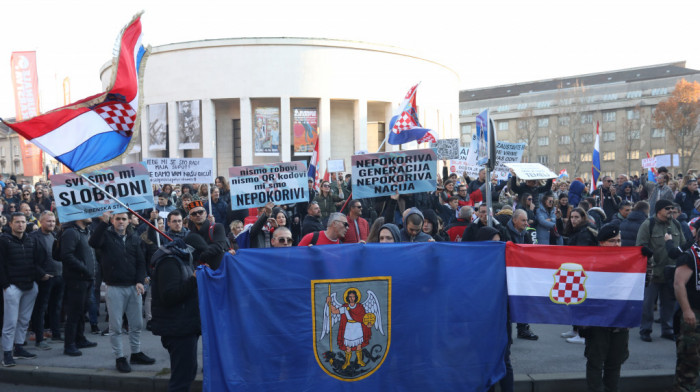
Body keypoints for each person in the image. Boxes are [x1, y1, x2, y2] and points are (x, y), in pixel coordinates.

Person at [88, 211, 155, 373]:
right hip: (114, 288)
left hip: (133, 287)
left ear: (128, 222)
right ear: (112, 220)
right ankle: (119, 357)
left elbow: (140, 262)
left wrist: (140, 281)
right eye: (117, 219)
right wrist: (103, 223)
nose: (121, 222)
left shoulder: (134, 239)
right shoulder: (105, 236)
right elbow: (93, 242)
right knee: (116, 326)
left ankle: (136, 352)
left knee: (137, 324)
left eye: (124, 219)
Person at [580, 224, 629, 392]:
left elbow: (641, 285)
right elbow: (582, 294)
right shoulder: (591, 262)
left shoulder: (628, 262)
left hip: (620, 322)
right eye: (612, 241)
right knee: (595, 363)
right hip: (597, 322)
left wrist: (646, 261)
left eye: (619, 241)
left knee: (614, 364)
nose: (617, 244)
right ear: (601, 243)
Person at [150, 237, 200, 392]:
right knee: (181, 380)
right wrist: (194, 280)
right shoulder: (169, 263)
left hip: (184, 326)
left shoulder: (180, 261)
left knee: (188, 372)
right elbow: (169, 296)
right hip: (177, 329)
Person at [0, 212, 48, 366]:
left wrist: (41, 275)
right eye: (17, 222)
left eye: (23, 222)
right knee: (10, 322)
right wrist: (6, 285)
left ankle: (19, 347)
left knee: (24, 320)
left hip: (30, 285)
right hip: (13, 287)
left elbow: (36, 261)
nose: (20, 225)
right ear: (11, 224)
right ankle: (7, 353)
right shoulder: (3, 241)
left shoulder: (31, 240)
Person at [636, 199, 686, 342]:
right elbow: (640, 246)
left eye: (672, 208)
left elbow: (682, 244)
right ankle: (645, 329)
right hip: (653, 272)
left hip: (671, 272)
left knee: (668, 303)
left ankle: (667, 329)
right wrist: (650, 261)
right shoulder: (648, 225)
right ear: (659, 211)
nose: (671, 210)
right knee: (648, 303)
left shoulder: (676, 224)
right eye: (667, 208)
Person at [60, 217, 98, 356]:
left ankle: (80, 339)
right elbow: (67, 255)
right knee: (74, 312)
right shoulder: (71, 232)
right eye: (87, 213)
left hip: (87, 278)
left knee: (82, 311)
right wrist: (84, 269)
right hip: (77, 279)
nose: (91, 216)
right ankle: (69, 344)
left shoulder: (86, 231)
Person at [670, 220, 700, 392]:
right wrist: (687, 310)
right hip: (694, 315)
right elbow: (678, 284)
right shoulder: (690, 256)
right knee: (690, 358)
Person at [29, 211, 64, 351]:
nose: (51, 224)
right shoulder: (33, 237)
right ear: (41, 222)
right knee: (40, 309)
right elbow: (30, 259)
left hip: (59, 276)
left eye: (53, 221)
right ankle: (39, 338)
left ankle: (55, 333)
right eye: (48, 221)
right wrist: (41, 273)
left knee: (56, 307)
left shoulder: (54, 235)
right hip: (44, 278)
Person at [325, 289, 371, 370]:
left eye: (353, 297)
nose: (351, 298)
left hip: (357, 327)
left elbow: (365, 318)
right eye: (350, 297)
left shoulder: (360, 307)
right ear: (347, 298)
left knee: (359, 346)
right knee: (348, 347)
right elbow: (335, 311)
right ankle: (347, 362)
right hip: (349, 327)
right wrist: (329, 303)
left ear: (356, 297)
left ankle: (360, 360)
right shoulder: (345, 307)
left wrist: (368, 324)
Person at [185, 200, 230, 270]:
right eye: (194, 214)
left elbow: (218, 246)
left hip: (221, 269)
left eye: (200, 212)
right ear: (190, 218)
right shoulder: (190, 235)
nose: (198, 215)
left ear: (205, 213)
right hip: (202, 272)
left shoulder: (217, 227)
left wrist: (200, 257)